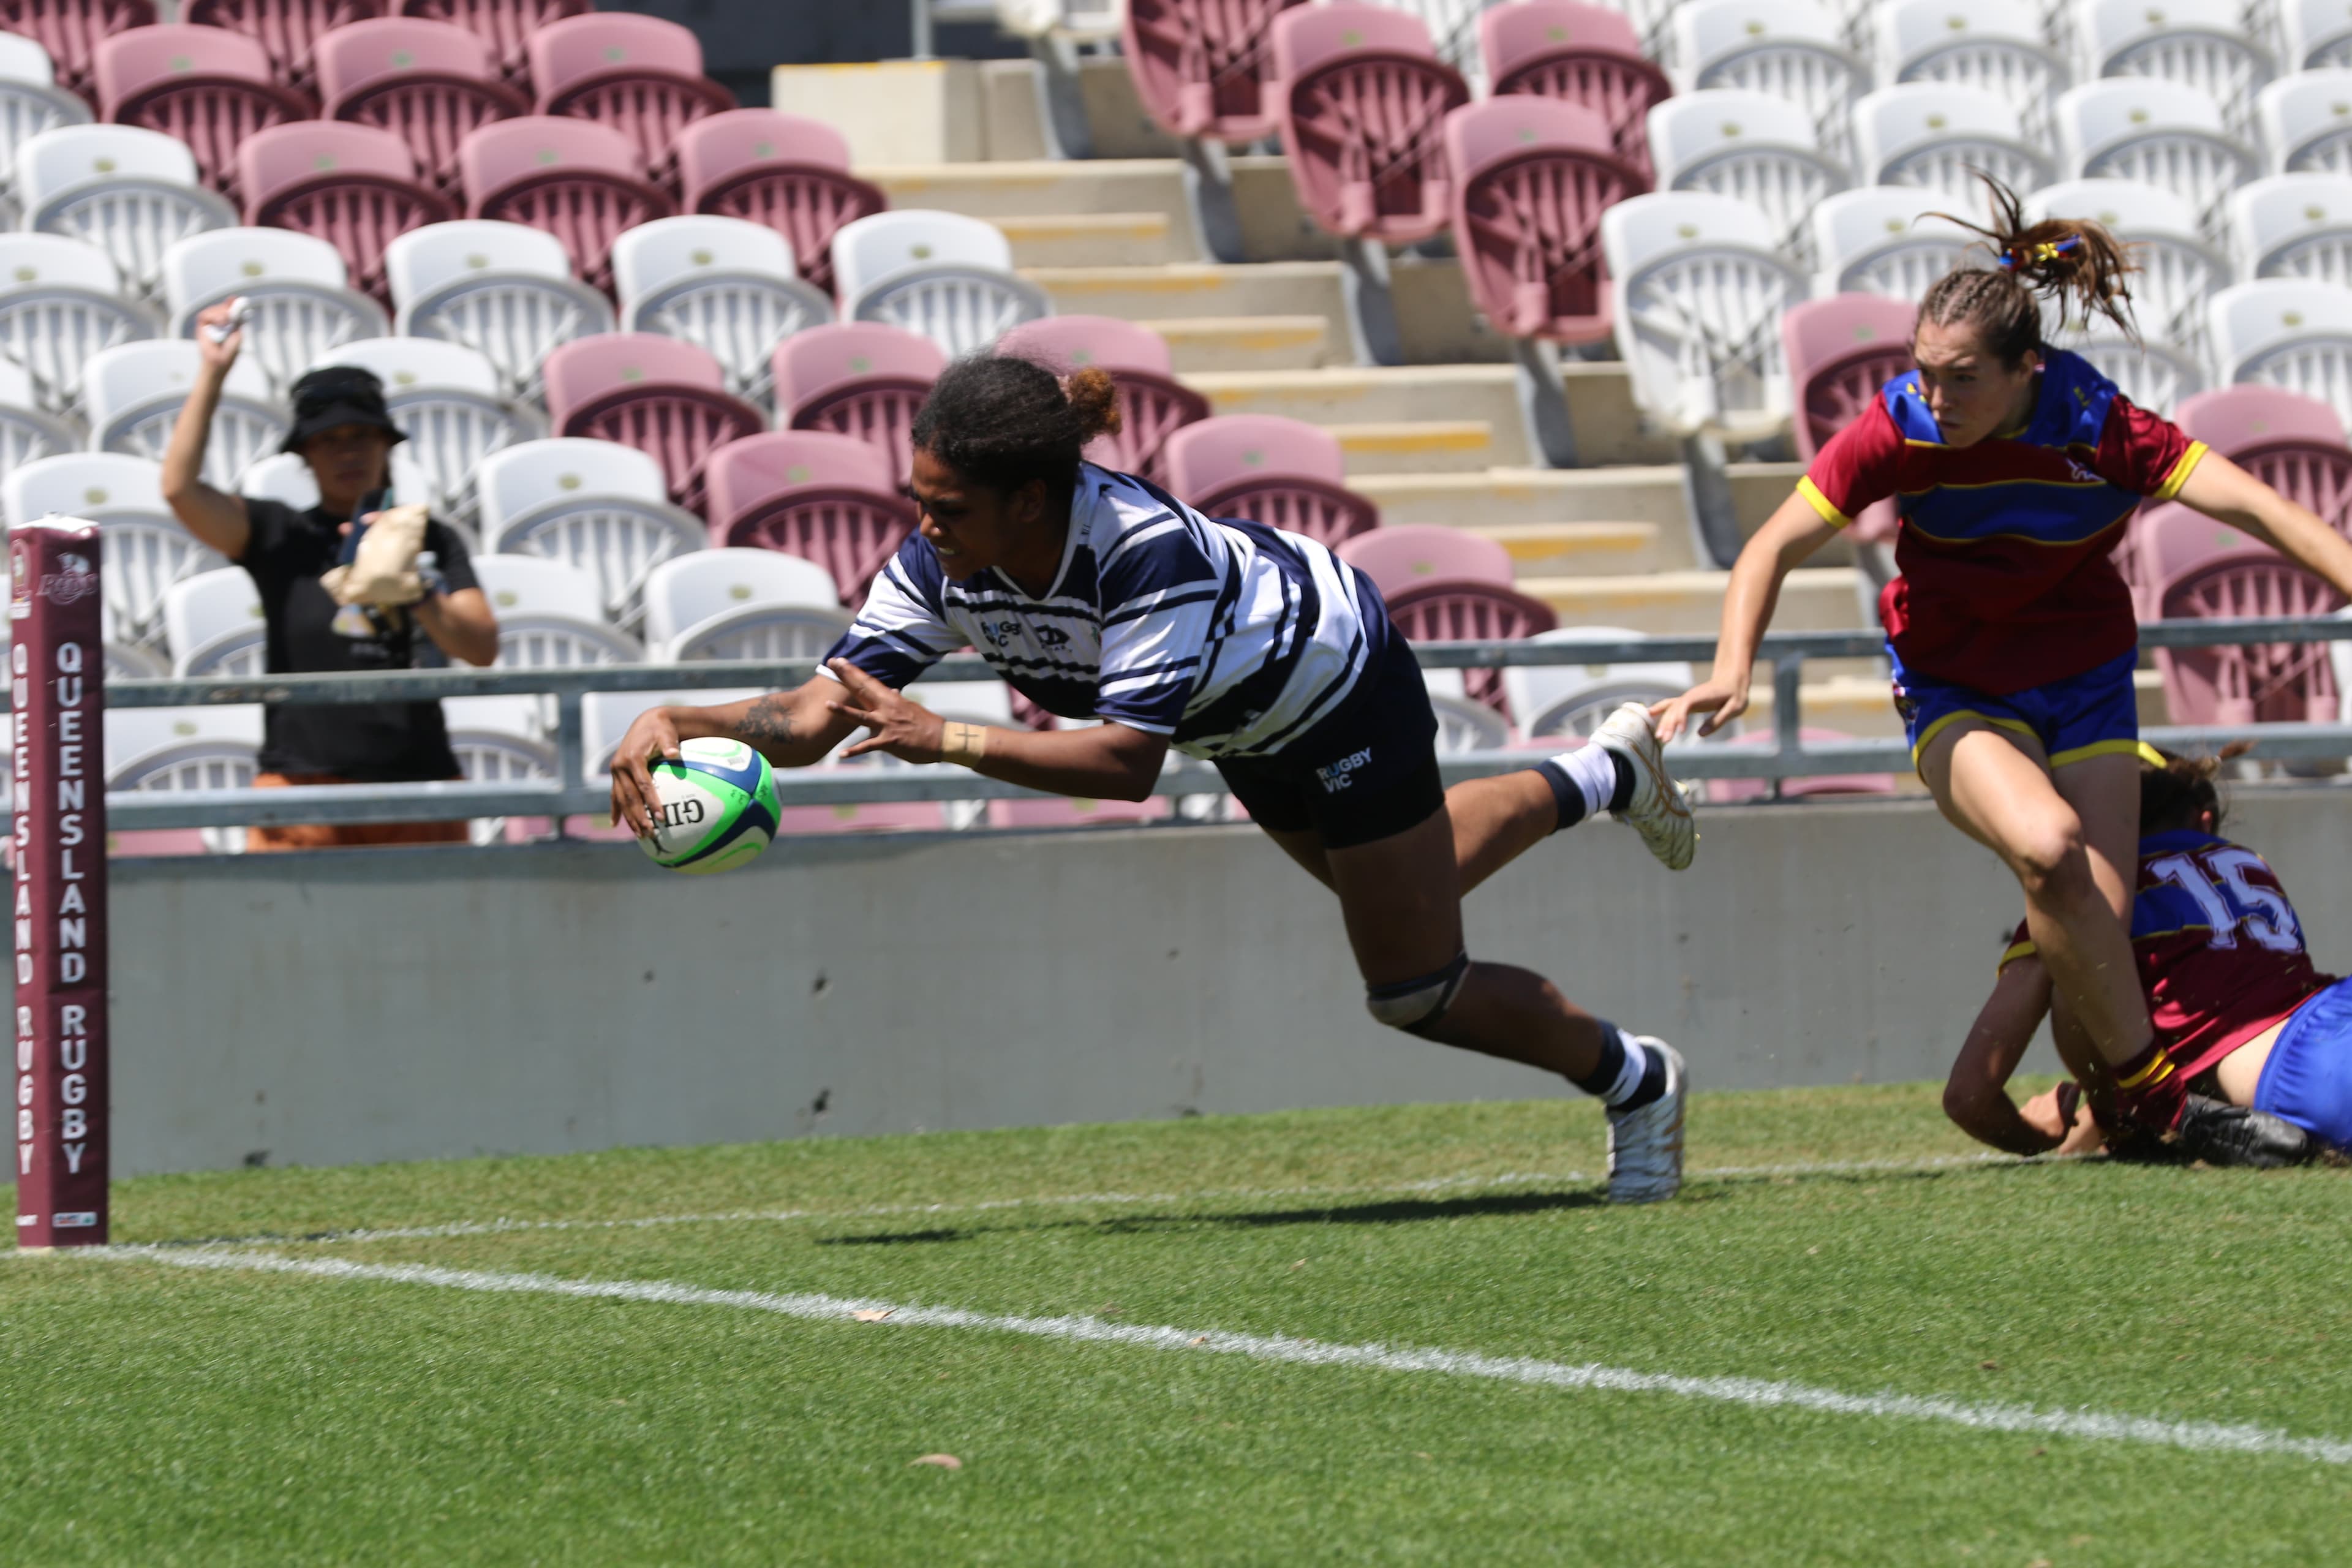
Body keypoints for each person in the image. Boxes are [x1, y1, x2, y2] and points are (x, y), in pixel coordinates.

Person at [611, 357, 1703, 1202]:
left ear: (1033, 499)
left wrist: (945, 737)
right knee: (1417, 883)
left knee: (1412, 984)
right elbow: (817, 713)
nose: (923, 528)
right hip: (1242, 723)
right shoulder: (938, 563)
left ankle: (1635, 1078)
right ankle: (1607, 768)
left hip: (1332, 680)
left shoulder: (1141, 551)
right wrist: (683, 718)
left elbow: (1126, 765)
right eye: (919, 501)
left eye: (949, 507)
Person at [1653, 178, 2352, 1130]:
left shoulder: (2104, 428)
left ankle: (2095, 1109)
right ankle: (2166, 1111)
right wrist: (1735, 666)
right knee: (2047, 847)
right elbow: (1771, 545)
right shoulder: (1898, 427)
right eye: (1923, 371)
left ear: (2028, 366)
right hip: (1958, 684)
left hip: (2089, 685)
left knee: (2092, 943)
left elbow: (2262, 507)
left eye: (1961, 377)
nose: (1934, 397)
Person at [160, 301, 500, 851]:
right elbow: (179, 490)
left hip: (419, 783)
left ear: (387, 446)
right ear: (305, 457)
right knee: (283, 940)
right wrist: (214, 372)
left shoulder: (430, 537)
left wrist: (416, 591)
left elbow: (482, 648)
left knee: (437, 940)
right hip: (301, 784)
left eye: (361, 436)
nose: (347, 452)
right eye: (328, 440)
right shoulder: (279, 532)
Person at [1943, 752, 2351, 1166]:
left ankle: (2124, 1122)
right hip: (2333, 1011)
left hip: (2304, 1072)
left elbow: (1968, 1098)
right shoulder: (2247, 862)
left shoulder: (2080, 906)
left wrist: (2033, 1133)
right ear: (2201, 820)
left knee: (2077, 979)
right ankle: (2120, 1120)